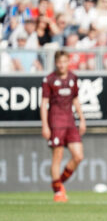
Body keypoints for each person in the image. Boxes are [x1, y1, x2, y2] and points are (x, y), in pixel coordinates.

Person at [40, 50, 85, 202]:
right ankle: (58, 192)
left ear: (68, 62)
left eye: (64, 62)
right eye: (59, 62)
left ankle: (58, 183)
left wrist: (82, 119)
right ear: (55, 63)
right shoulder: (49, 80)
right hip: (56, 122)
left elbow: (76, 100)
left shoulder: (73, 78)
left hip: (70, 122)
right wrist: (45, 126)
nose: (62, 65)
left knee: (78, 156)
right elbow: (44, 104)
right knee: (57, 157)